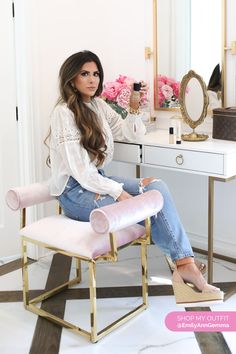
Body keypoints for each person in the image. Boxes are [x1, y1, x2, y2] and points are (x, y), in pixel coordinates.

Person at [47, 50, 223, 306]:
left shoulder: (97, 105)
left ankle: (184, 265)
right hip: (75, 192)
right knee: (143, 205)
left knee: (157, 187)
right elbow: (81, 171)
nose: (92, 79)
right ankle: (186, 266)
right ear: (71, 78)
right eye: (84, 73)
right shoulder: (63, 112)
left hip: (97, 180)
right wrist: (118, 192)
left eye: (96, 74)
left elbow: (131, 134)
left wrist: (133, 106)